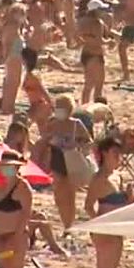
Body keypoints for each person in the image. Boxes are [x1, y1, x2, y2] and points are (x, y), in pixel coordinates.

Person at [86, 137, 129, 268]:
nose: (118, 156)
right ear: (104, 153)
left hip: (117, 229)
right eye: (114, 153)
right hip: (105, 230)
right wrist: (99, 224)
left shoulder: (117, 176)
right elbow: (88, 205)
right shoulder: (99, 178)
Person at [38, 94, 92, 229]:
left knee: (69, 194)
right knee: (59, 195)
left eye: (62, 108)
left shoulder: (76, 124)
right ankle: (65, 222)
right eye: (58, 107)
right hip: (57, 158)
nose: (59, 111)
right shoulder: (52, 123)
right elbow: (44, 139)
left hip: (71, 160)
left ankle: (68, 225)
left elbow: (88, 142)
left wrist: (76, 144)